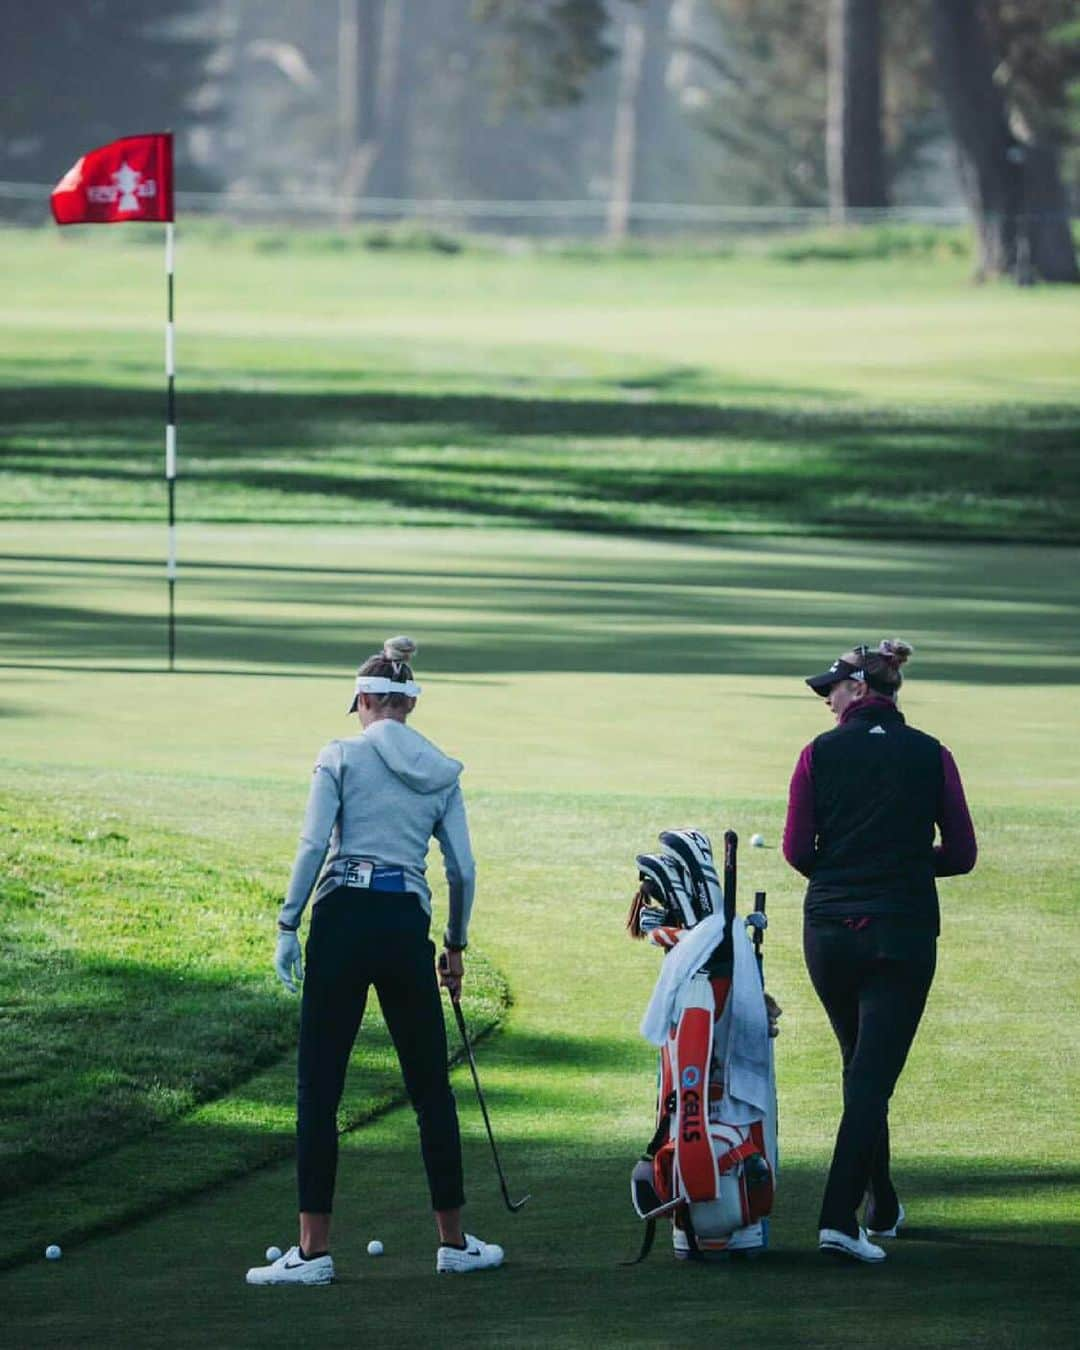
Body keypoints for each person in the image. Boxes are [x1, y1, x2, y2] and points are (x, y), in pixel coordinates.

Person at [246, 636, 503, 1285]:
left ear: (364, 700)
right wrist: (455, 946)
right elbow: (463, 871)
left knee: (319, 1088)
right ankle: (453, 1242)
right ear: (408, 705)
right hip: (403, 923)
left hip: (341, 919)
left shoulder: (339, 754)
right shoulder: (443, 770)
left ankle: (312, 1253)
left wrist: (286, 923)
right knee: (429, 1088)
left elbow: (312, 846)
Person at [782, 639, 976, 1264]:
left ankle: (882, 1203)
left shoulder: (818, 753)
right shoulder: (932, 754)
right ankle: (838, 1218)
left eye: (832, 689)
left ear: (861, 690)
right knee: (871, 1074)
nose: (827, 699)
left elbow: (797, 852)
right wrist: (908, 863)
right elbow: (963, 854)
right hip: (902, 929)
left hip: (830, 933)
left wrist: (850, 864)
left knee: (861, 1066)